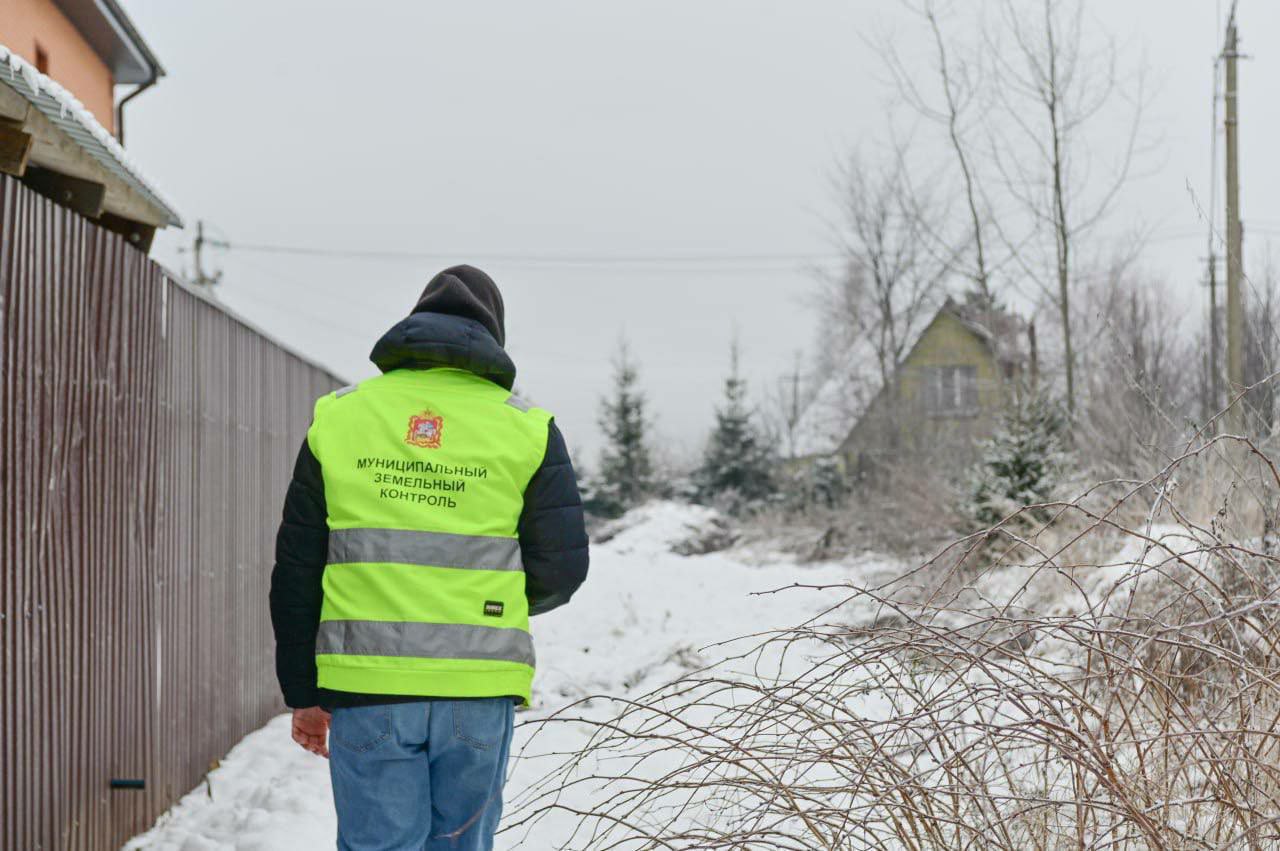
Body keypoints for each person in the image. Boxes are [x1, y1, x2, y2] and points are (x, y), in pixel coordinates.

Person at [269, 265, 589, 851]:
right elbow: (562, 569)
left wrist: (304, 692)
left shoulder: (340, 417)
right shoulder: (528, 429)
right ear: (493, 335)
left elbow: (297, 568)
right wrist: (482, 611)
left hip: (366, 688)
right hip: (478, 687)